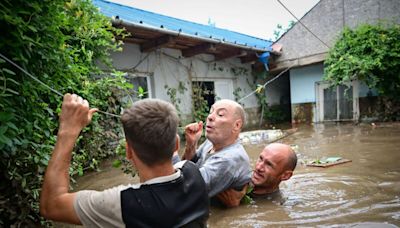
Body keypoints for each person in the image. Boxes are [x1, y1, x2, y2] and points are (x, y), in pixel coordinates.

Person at [40, 94, 209, 227]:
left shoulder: (123, 203)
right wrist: (192, 144)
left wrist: (68, 130)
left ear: (128, 151)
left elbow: (52, 205)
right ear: (176, 145)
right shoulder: (194, 172)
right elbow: (177, 168)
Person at [173, 99, 252, 198]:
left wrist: (171, 152)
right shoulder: (210, 143)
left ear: (237, 125)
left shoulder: (229, 159)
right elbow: (189, 164)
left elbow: (183, 189)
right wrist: (191, 144)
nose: (210, 117)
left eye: (220, 115)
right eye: (211, 112)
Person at [218, 143, 297, 207]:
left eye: (269, 164)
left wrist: (234, 207)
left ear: (285, 175)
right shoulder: (238, 177)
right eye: (260, 159)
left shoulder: (276, 206)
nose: (258, 167)